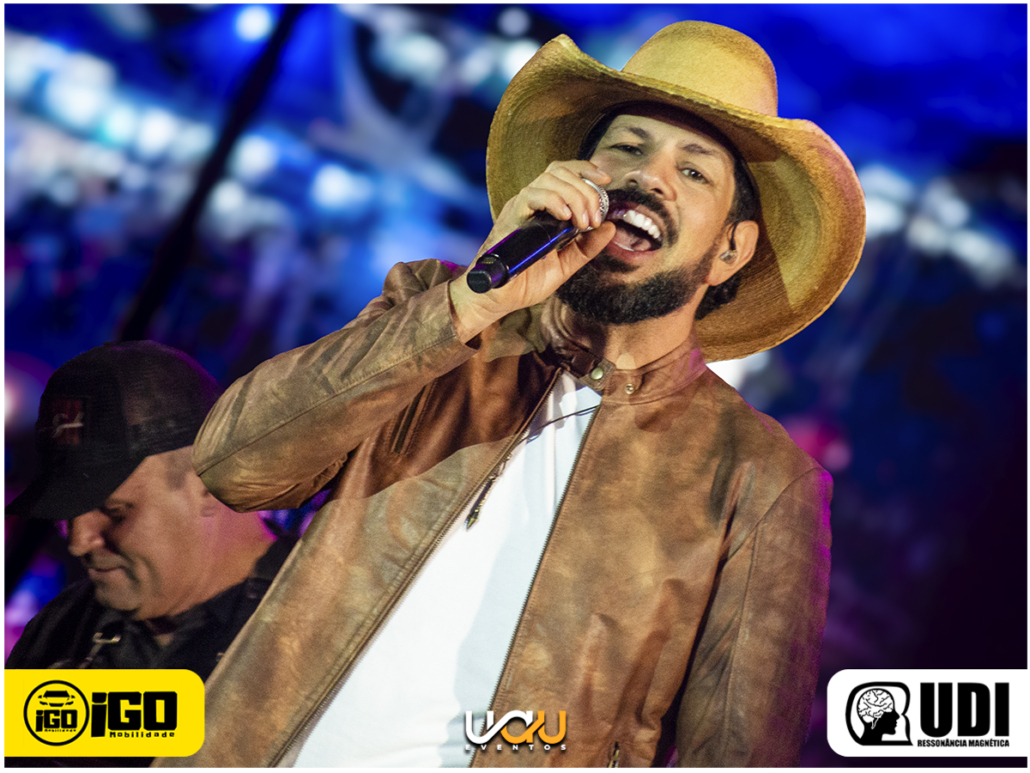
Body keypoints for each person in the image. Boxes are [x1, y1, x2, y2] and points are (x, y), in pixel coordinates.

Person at [158, 21, 865, 768]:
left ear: (730, 249)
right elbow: (235, 465)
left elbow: (739, 753)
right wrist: (470, 304)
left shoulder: (757, 478)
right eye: (628, 147)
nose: (650, 178)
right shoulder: (435, 311)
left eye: (693, 172)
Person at [6, 341, 293, 678]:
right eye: (65, 515)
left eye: (115, 512)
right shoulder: (60, 629)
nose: (78, 542)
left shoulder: (324, 621)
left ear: (211, 478)